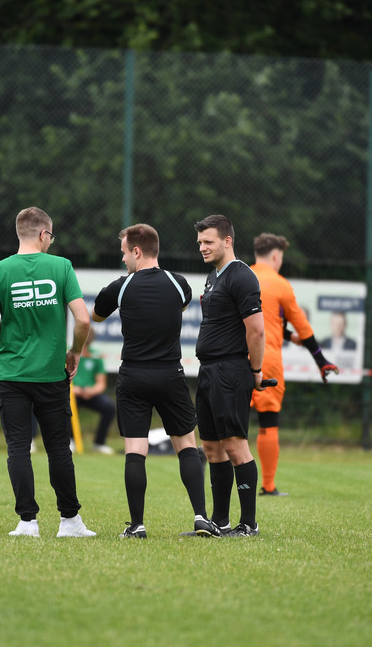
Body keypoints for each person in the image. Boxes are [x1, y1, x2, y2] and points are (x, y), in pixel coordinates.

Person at [91, 223, 222, 539]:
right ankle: (201, 517)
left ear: (136, 251)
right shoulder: (179, 285)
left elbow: (95, 316)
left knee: (135, 450)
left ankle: (137, 526)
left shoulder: (120, 287)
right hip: (170, 375)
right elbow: (179, 306)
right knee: (187, 446)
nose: (123, 260)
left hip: (133, 376)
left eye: (124, 253)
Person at [0, 206, 96, 538]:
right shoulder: (60, 266)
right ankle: (70, 522)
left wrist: (10, 320)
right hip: (50, 373)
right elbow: (84, 319)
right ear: (44, 234)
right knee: (58, 446)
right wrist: (75, 352)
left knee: (18, 446)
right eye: (51, 236)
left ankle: (27, 522)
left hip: (10, 373)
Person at [193, 214, 267, 537]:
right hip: (208, 370)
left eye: (208, 242)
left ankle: (248, 524)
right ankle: (219, 522)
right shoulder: (214, 277)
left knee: (235, 445)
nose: (202, 248)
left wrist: (256, 371)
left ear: (227, 241)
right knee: (211, 447)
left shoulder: (242, 277)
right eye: (199, 243)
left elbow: (257, 331)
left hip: (231, 370)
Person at [250, 233, 339, 496]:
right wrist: (321, 360)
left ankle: (214, 471)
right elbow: (304, 327)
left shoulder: (239, 276)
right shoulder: (280, 285)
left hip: (234, 358)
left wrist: (287, 336)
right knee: (268, 422)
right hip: (268, 360)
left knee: (228, 422)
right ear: (276, 256)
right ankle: (267, 486)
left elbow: (258, 320)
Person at [71, 328, 117, 455]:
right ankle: (70, 440)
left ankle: (99, 443)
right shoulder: (69, 353)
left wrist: (91, 391)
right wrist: (74, 389)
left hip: (90, 393)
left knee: (109, 408)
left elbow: (101, 383)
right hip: (73, 393)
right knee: (66, 407)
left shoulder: (96, 355)